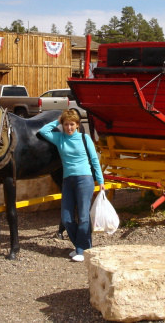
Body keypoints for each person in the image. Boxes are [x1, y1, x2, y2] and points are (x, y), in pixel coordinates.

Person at [39, 109, 104, 262]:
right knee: (66, 218)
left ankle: (82, 249)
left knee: (83, 217)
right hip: (68, 181)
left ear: (77, 125)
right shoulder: (59, 138)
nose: (69, 128)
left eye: (72, 124)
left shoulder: (84, 138)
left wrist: (100, 181)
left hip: (85, 180)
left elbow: (94, 160)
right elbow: (43, 131)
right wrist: (58, 119)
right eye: (66, 124)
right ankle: (81, 247)